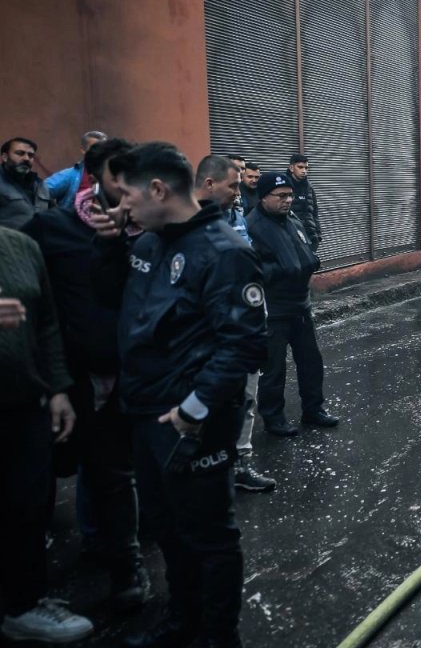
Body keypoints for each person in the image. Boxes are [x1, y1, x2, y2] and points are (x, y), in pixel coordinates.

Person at [92, 142, 267, 648]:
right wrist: (107, 245)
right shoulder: (147, 242)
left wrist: (194, 410)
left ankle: (217, 635)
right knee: (167, 529)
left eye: (126, 195)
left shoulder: (224, 253)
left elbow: (244, 345)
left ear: (157, 189)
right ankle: (182, 620)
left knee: (209, 536)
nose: (121, 206)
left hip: (191, 421)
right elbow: (111, 303)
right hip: (145, 413)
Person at [21, 137, 152, 613]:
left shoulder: (151, 232)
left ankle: (126, 566)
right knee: (38, 484)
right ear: (96, 179)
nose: (134, 186)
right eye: (123, 176)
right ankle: (30, 593)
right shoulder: (50, 228)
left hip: (125, 378)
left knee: (114, 475)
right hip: (62, 379)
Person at [0, 226, 94, 644]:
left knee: (29, 504)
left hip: (23, 403)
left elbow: (47, 326)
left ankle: (24, 603)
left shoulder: (20, 245)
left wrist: (57, 388)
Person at [194, 156, 277, 492]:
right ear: (209, 183)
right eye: (233, 185)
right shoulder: (187, 225)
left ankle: (241, 463)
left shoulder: (237, 215)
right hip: (212, 334)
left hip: (245, 323)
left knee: (247, 396)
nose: (239, 191)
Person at [248, 173, 337, 437]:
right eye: (281, 196)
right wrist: (280, 270)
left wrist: (310, 259)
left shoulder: (292, 220)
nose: (288, 200)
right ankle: (274, 419)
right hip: (274, 311)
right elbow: (251, 268)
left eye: (289, 195)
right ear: (264, 197)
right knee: (273, 369)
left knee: (311, 362)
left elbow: (303, 248)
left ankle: (314, 409)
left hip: (300, 306)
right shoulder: (252, 226)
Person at [1, 137, 56, 229]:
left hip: (38, 242)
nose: (26, 158)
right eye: (20, 153)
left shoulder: (40, 185)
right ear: (5, 157)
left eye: (30, 155)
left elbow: (54, 216)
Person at [45, 131, 107, 209]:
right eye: (95, 148)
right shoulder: (71, 175)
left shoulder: (114, 177)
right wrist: (55, 214)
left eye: (104, 149)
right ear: (83, 150)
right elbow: (40, 191)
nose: (100, 152)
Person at [285, 153, 321, 251]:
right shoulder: (284, 186)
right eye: (300, 167)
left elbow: (314, 212)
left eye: (306, 168)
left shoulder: (309, 187)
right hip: (292, 238)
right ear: (291, 168)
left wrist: (317, 234)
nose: (304, 171)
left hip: (310, 237)